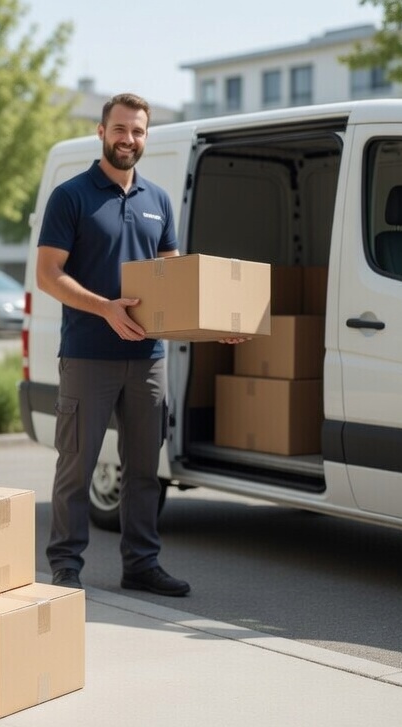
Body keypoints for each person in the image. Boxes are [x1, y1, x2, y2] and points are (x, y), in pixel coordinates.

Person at [35, 92, 242, 597]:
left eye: (138, 131)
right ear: (102, 132)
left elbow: (172, 279)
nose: (129, 139)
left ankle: (141, 565)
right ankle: (66, 564)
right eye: (121, 129)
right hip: (88, 355)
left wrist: (209, 322)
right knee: (76, 468)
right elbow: (47, 275)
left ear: (146, 137)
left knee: (145, 472)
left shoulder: (158, 200)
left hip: (147, 358)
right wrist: (104, 306)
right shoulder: (72, 196)